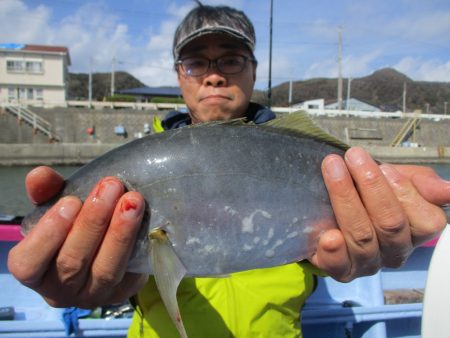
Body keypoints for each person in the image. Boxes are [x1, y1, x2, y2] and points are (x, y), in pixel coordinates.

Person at [8, 2, 449, 337]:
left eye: (231, 60)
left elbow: (333, 254)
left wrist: (365, 242)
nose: (213, 76)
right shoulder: (132, 166)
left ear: (254, 71)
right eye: (197, 62)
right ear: (179, 75)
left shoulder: (299, 155)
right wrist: (87, 284)